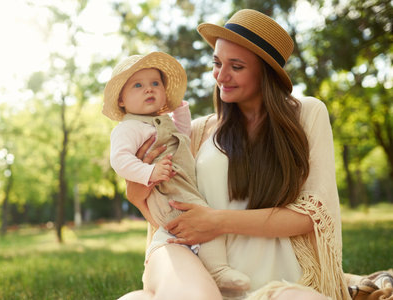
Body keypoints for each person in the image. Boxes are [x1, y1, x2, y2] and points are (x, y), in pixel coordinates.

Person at [118, 9, 353, 300]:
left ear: (265, 72)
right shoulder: (196, 131)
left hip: (276, 280)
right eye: (217, 62)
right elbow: (171, 205)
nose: (221, 75)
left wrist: (217, 221)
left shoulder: (306, 114)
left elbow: (313, 215)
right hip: (199, 271)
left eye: (237, 66)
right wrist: (137, 193)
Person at [102, 52, 250, 293]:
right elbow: (120, 160)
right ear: (121, 100)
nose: (148, 89)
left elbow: (182, 137)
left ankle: (211, 269)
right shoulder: (128, 128)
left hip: (180, 186)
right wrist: (149, 172)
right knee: (203, 220)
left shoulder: (160, 121)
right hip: (165, 191)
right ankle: (217, 270)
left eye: (155, 84)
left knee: (204, 220)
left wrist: (180, 113)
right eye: (138, 85)